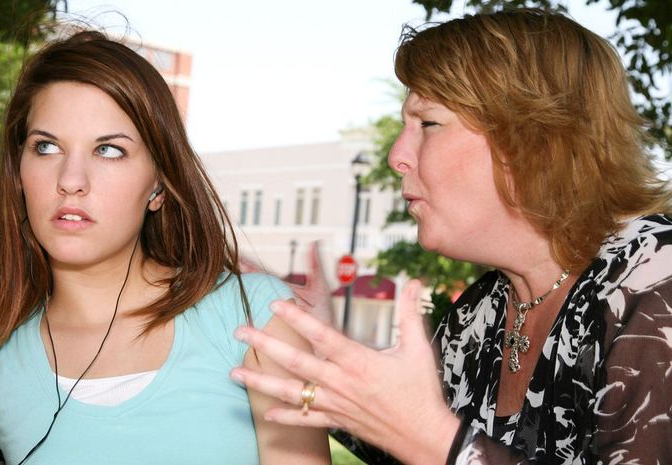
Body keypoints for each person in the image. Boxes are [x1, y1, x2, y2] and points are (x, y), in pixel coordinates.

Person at [0, 30, 330, 465]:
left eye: (109, 150)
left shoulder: (253, 318)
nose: (70, 181)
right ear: (18, 174)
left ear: (159, 186)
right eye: (46, 147)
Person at [229, 8, 672, 464]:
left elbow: (431, 440)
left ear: (534, 141)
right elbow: (407, 440)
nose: (397, 156)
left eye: (428, 124)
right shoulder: (480, 313)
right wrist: (329, 349)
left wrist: (437, 441)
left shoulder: (655, 280)